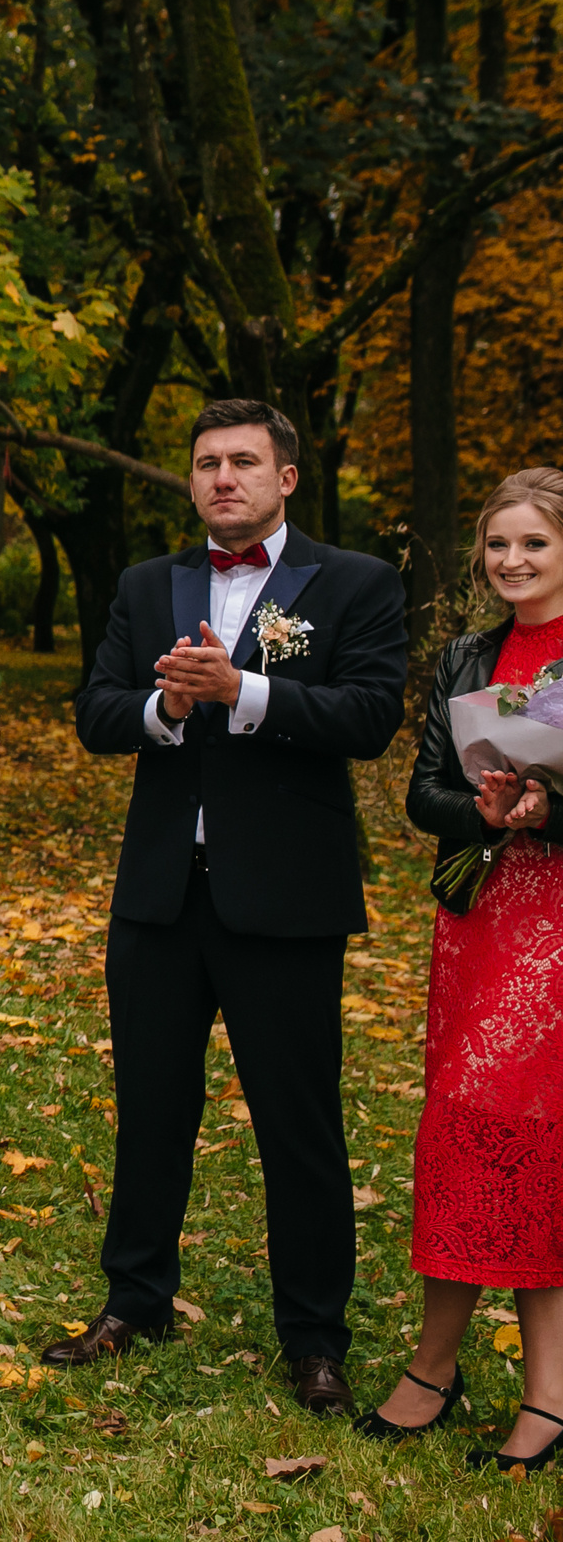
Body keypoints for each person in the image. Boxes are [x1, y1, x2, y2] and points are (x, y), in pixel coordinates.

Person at [47, 398, 407, 1415]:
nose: (221, 478)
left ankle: (314, 1335)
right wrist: (165, 705)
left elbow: (370, 715)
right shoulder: (145, 584)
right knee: (152, 1108)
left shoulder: (354, 583)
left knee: (297, 1123)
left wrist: (244, 691)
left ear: (285, 476)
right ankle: (134, 1299)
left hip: (286, 899)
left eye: (243, 461)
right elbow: (95, 712)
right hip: (160, 896)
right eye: (206, 463)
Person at [359, 468, 563, 1465]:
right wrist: (480, 809)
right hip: (479, 919)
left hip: (558, 927)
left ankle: (548, 1395)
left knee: (535, 1136)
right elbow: (420, 789)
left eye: (533, 543)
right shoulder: (466, 656)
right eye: (498, 545)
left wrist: (548, 807)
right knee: (458, 1128)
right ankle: (433, 1365)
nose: (512, 561)